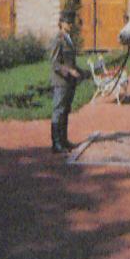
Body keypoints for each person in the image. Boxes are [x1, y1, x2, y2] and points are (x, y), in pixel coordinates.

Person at [49, 10, 88, 153]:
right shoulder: (58, 40)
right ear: (61, 23)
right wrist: (70, 71)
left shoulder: (69, 39)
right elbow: (55, 63)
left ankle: (64, 140)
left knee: (65, 110)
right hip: (61, 81)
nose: (70, 24)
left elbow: (71, 62)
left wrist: (81, 72)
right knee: (58, 111)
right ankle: (56, 143)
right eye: (67, 22)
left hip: (69, 82)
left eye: (71, 22)